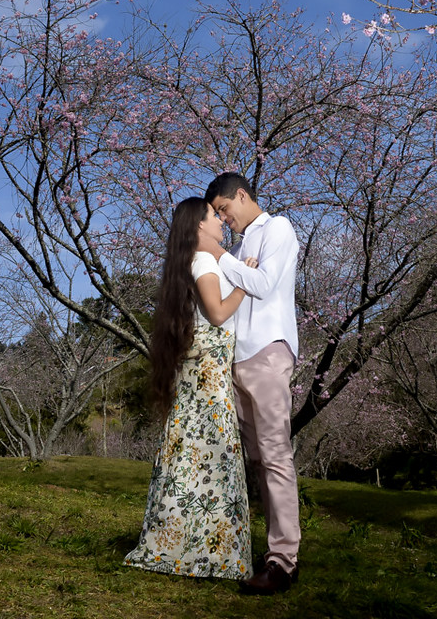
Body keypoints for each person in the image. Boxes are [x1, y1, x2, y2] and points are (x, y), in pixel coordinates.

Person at [124, 197, 255, 580]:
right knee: (212, 459)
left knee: (188, 459)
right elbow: (216, 312)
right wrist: (245, 285)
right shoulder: (203, 261)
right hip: (208, 379)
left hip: (201, 375)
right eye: (215, 216)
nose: (221, 221)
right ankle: (210, 553)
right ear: (198, 226)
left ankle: (182, 545)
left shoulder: (191, 263)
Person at [203, 172, 301, 595]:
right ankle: (268, 552)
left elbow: (262, 285)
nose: (224, 219)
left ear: (241, 195)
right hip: (237, 361)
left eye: (224, 209)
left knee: (276, 455)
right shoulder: (240, 247)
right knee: (258, 460)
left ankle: (284, 562)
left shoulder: (277, 227)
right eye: (218, 215)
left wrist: (217, 252)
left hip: (267, 351)